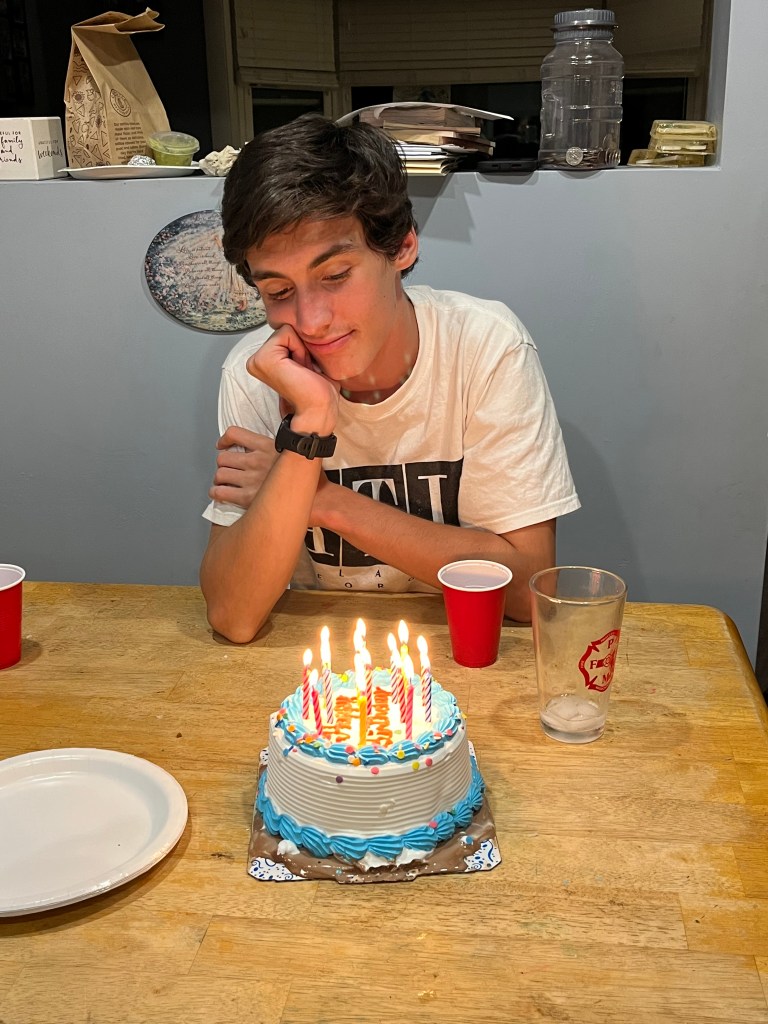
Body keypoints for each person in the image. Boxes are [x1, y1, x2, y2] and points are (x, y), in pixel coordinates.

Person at [200, 114, 580, 643]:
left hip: (460, 655)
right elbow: (233, 616)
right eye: (278, 292)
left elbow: (523, 595)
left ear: (401, 246)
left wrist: (321, 500)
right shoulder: (260, 373)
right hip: (320, 663)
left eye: (335, 276)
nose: (311, 321)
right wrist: (309, 425)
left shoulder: (484, 346)